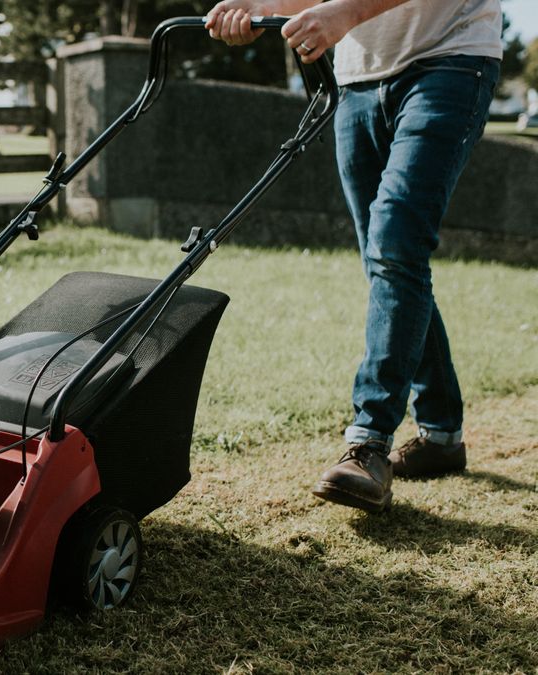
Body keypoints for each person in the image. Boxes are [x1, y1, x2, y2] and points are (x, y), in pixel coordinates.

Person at [205, 0, 502, 512]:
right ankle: (442, 435)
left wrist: (347, 13)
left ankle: (368, 442)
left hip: (449, 58)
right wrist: (264, 9)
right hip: (358, 79)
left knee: (395, 245)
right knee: (388, 260)